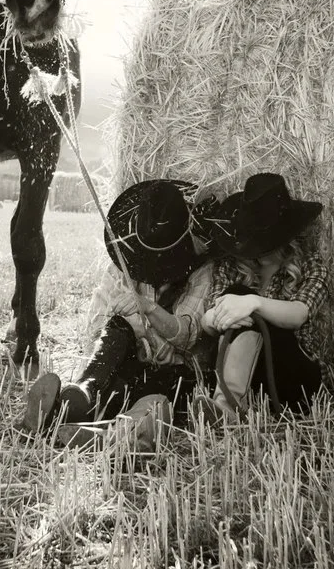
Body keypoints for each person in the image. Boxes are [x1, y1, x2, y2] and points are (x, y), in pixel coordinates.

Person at [15, 178, 219, 450]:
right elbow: (96, 325)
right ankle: (77, 398)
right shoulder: (126, 259)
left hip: (175, 373)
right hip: (125, 364)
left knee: (165, 388)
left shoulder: (202, 271)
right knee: (115, 332)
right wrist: (141, 332)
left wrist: (149, 310)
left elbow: (188, 335)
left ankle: (114, 429)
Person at [200, 172, 328, 418]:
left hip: (294, 378)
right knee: (234, 295)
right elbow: (207, 323)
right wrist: (220, 315)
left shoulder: (310, 264)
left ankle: (227, 408)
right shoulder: (231, 266)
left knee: (240, 297)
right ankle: (227, 406)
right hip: (252, 380)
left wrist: (252, 303)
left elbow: (298, 314)